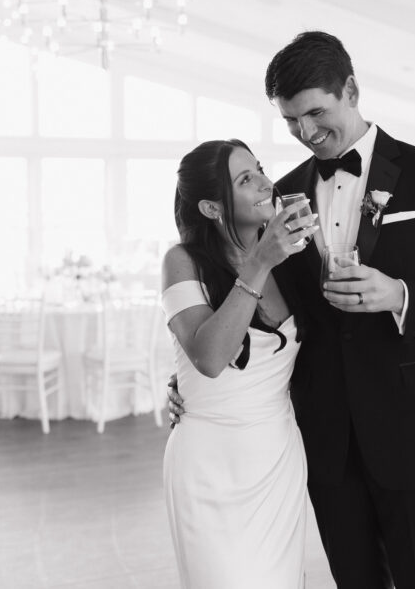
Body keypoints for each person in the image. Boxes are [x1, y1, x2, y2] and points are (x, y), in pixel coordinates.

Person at [170, 31, 415, 588]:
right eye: (290, 122)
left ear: (351, 89)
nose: (306, 133)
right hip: (324, 443)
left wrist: (400, 296)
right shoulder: (286, 194)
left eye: (315, 113)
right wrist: (192, 382)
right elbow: (246, 300)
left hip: (414, 435)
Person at [161, 138, 319, 589]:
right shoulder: (182, 262)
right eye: (245, 179)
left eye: (260, 170)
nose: (266, 183)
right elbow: (209, 359)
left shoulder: (292, 262)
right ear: (212, 208)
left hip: (276, 460)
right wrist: (259, 263)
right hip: (210, 466)